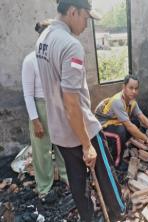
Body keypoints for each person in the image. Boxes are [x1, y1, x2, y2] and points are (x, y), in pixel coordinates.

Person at [35, 0, 125, 221]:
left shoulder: (42, 40)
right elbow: (72, 103)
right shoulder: (70, 45)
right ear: (72, 11)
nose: (86, 24)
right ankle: (119, 213)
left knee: (77, 180)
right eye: (85, 17)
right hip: (82, 129)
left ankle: (88, 217)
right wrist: (87, 145)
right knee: (106, 177)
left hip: (60, 132)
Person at [21, 19, 68, 200]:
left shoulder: (56, 58)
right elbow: (28, 94)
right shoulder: (30, 60)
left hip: (58, 106)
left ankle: (65, 177)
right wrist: (35, 120)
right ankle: (44, 187)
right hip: (40, 108)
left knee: (63, 146)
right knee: (42, 152)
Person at [95, 75, 148, 165]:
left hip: (114, 123)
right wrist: (146, 139)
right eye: (131, 88)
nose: (134, 91)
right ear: (124, 87)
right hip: (100, 127)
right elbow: (129, 126)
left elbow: (142, 118)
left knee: (136, 122)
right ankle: (116, 163)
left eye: (136, 89)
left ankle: (123, 145)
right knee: (120, 133)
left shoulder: (132, 101)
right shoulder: (117, 101)